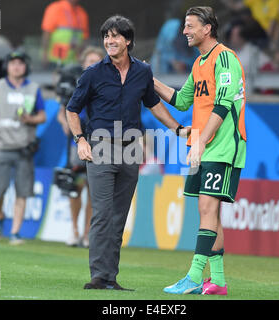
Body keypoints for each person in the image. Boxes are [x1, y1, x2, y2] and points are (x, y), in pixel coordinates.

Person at [66, 15, 189, 290]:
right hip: (99, 148)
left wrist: (178, 129)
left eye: (115, 36)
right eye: (106, 36)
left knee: (119, 216)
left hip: (131, 150)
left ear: (128, 40)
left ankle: (111, 277)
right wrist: (80, 141)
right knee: (103, 213)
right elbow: (72, 109)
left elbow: (154, 105)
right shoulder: (92, 73)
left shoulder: (143, 72)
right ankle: (99, 276)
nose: (109, 41)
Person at [153, 6, 247, 295]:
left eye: (190, 25)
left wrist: (202, 142)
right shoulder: (198, 64)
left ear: (207, 28)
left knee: (207, 208)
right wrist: (150, 80)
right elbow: (182, 101)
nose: (184, 31)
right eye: (184, 26)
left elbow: (224, 104)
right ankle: (217, 280)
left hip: (222, 147)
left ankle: (194, 277)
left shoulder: (226, 58)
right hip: (203, 147)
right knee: (210, 213)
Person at [0, 51, 46, 245]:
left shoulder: (33, 89)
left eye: (20, 63)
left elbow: (42, 116)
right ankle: (0, 215)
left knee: (22, 191)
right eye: (13, 63)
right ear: (7, 67)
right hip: (0, 144)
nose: (17, 66)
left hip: (24, 146)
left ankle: (15, 232)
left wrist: (30, 119)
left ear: (26, 67)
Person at [57, 46, 105, 247]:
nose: (92, 63)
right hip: (78, 142)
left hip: (100, 142)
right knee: (75, 186)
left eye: (97, 60)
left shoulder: (106, 84)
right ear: (83, 63)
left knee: (92, 189)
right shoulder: (76, 86)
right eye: (89, 60)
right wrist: (69, 128)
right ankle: (74, 230)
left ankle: (87, 234)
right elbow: (63, 112)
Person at [41, 0, 90, 67]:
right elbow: (47, 33)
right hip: (56, 60)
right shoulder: (55, 8)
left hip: (75, 61)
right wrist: (44, 54)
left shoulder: (81, 12)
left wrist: (84, 56)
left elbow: (85, 38)